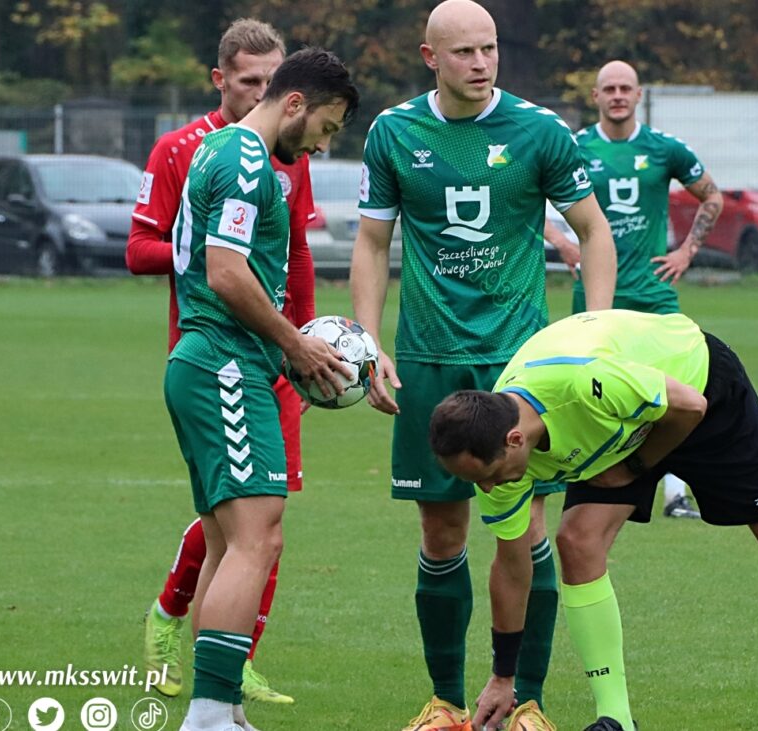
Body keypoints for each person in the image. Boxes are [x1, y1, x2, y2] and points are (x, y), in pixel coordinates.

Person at [429, 309, 758, 731]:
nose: (487, 489)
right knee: (578, 540)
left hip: (698, 387)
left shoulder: (585, 385)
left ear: (515, 440)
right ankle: (613, 717)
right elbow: (512, 566)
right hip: (621, 427)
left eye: (489, 477)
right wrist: (503, 676)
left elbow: (689, 406)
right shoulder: (492, 451)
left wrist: (637, 467)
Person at [350, 1, 617, 729]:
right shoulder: (395, 131)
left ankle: (527, 699)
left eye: (489, 49)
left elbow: (593, 232)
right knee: (441, 533)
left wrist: (591, 326)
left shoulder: (538, 130)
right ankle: (445, 700)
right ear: (429, 56)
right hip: (429, 360)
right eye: (464, 51)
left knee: (523, 532)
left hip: (517, 366)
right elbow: (373, 243)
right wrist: (369, 340)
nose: (481, 62)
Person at [162, 48, 357, 731]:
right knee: (256, 538)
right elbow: (225, 272)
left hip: (208, 360)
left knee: (229, 543)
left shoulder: (219, 147)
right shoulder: (247, 160)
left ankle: (223, 707)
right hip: (224, 361)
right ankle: (209, 711)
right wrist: (293, 341)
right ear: (296, 103)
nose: (323, 145)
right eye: (327, 128)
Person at [129, 19, 315, 705]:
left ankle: (227, 675)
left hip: (270, 352)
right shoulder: (200, 151)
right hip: (223, 351)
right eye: (250, 82)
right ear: (220, 79)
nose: (265, 92)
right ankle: (179, 632)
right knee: (246, 527)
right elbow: (165, 254)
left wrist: (305, 340)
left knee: (257, 527)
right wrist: (208, 263)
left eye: (275, 80)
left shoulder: (282, 158)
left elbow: (288, 252)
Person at [547, 59, 725, 521]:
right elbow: (528, 196)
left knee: (683, 388)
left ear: (639, 95)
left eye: (626, 88)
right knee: (589, 384)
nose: (618, 95)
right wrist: (564, 242)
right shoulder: (575, 146)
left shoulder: (664, 148)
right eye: (609, 88)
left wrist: (686, 252)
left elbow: (712, 195)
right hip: (596, 292)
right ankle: (593, 478)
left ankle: (676, 491)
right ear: (596, 97)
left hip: (652, 291)